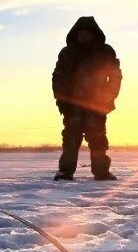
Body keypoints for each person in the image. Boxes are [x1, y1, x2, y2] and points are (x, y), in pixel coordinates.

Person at [52, 16, 122, 181]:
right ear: (75, 35)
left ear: (94, 35)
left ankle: (101, 172)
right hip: (72, 103)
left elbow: (115, 77)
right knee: (71, 136)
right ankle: (66, 171)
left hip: (96, 104)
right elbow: (58, 77)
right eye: (80, 33)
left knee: (97, 137)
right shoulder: (67, 53)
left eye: (86, 34)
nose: (83, 37)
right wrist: (61, 99)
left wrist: (108, 98)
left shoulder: (105, 52)